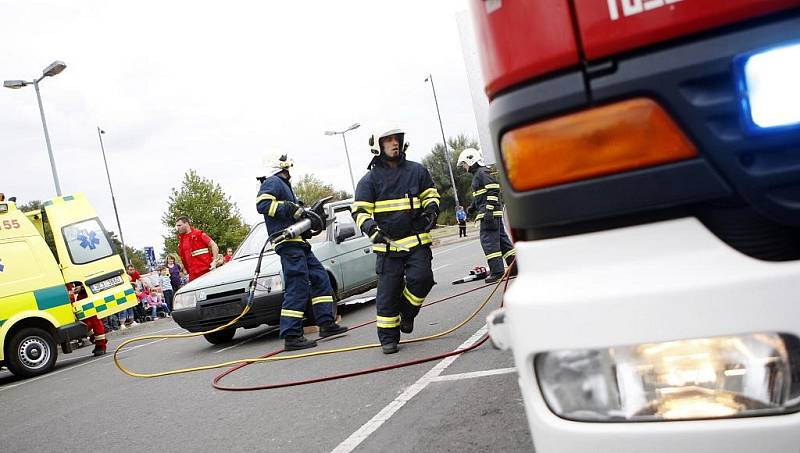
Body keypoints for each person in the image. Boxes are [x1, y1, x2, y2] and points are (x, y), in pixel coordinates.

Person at [351, 127, 439, 354]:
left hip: (416, 241)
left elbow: (431, 194)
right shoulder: (369, 180)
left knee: (423, 279)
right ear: (377, 145)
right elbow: (359, 211)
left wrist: (431, 210)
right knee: (387, 295)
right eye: (388, 140)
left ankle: (407, 314)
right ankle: (388, 338)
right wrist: (371, 229)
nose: (394, 143)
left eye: (397, 139)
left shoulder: (417, 171)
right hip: (387, 246)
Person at [256, 153, 348, 350]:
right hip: (287, 243)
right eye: (287, 168)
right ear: (282, 168)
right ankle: (291, 335)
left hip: (298, 243)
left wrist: (301, 212)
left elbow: (292, 212)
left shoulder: (284, 185)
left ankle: (326, 323)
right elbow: (262, 205)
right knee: (297, 286)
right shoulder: (273, 182)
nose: (290, 172)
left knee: (320, 278)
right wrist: (289, 207)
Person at [457, 148, 516, 283]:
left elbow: (494, 189)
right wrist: (472, 208)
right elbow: (482, 196)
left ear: (470, 160)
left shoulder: (481, 173)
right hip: (492, 215)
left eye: (464, 164)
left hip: (489, 216)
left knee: (489, 243)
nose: (464, 167)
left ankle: (497, 272)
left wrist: (488, 211)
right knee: (502, 242)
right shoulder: (480, 174)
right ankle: (515, 267)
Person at [175, 216, 221, 282]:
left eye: (179, 225)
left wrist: (214, 261)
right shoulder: (181, 240)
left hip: (205, 271)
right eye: (177, 226)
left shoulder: (199, 234)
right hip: (192, 274)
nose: (178, 228)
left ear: (186, 224)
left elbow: (214, 245)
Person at [69, 283, 107, 356]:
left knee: (94, 321)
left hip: (86, 294)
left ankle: (100, 345)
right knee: (82, 322)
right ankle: (96, 339)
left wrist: (82, 287)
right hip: (72, 297)